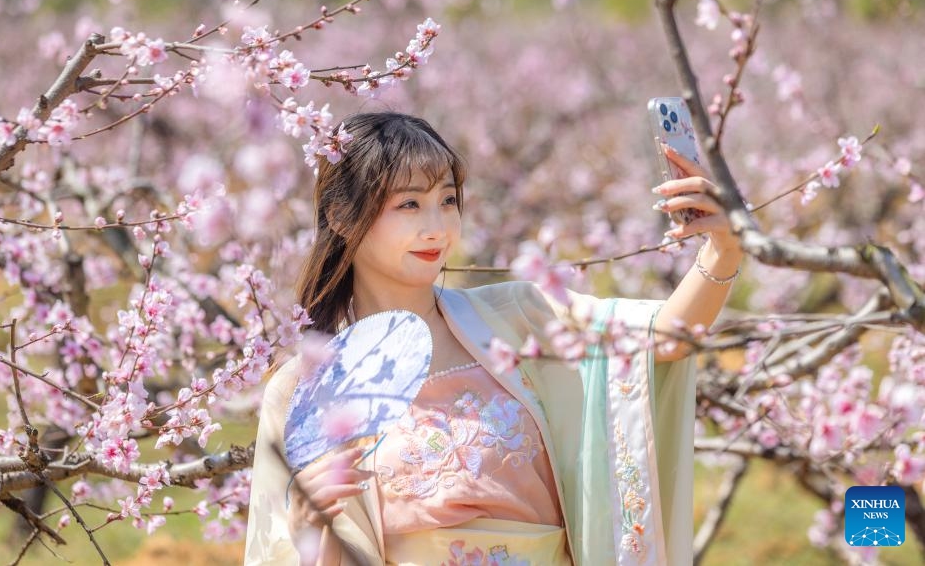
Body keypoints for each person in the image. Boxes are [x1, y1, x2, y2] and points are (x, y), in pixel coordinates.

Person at [244, 111, 743, 565]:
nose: (436, 227)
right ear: (341, 216)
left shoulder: (519, 318)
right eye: (410, 205)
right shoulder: (303, 393)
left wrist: (724, 248)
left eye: (448, 201)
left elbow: (663, 340)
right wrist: (312, 531)